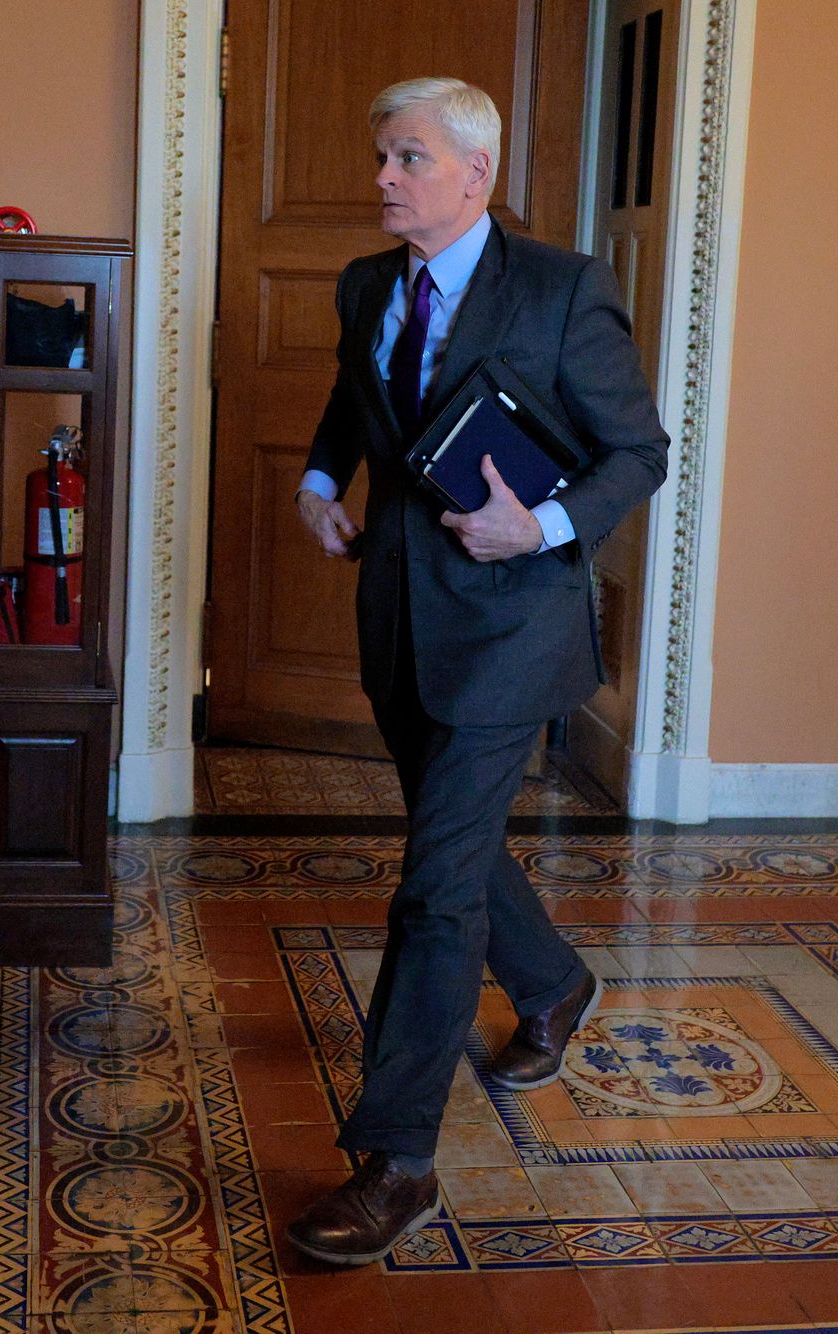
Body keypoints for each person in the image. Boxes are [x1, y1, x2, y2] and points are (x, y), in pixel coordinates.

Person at [285, 76, 669, 1266]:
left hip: (510, 623)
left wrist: (543, 527)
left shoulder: (560, 289)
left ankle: (395, 1160)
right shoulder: (363, 283)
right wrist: (315, 480)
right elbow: (359, 401)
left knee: (434, 885)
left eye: (405, 158)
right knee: (451, 841)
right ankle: (551, 983)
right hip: (398, 614)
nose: (383, 178)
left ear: (473, 174)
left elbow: (635, 451)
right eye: (381, 155)